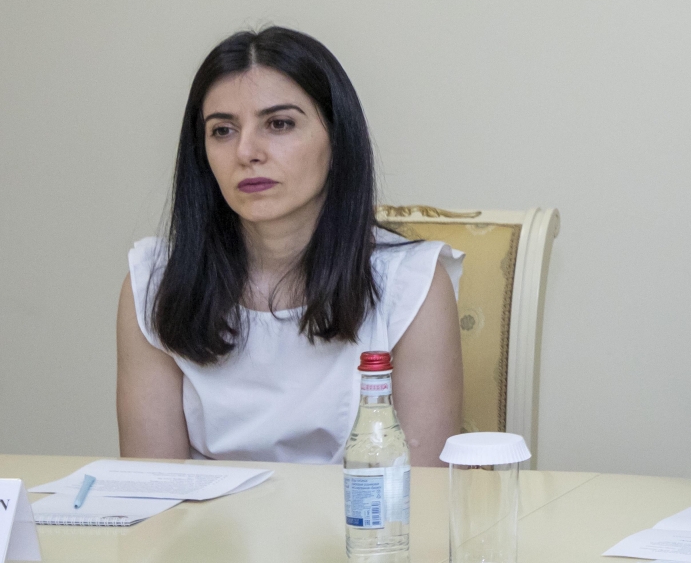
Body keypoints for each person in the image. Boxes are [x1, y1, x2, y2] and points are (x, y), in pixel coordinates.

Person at [117, 27, 463, 466]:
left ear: (337, 138)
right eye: (222, 130)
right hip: (202, 516)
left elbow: (419, 491)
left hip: (361, 513)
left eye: (279, 124)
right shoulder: (155, 283)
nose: (246, 151)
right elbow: (153, 490)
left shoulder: (410, 284)